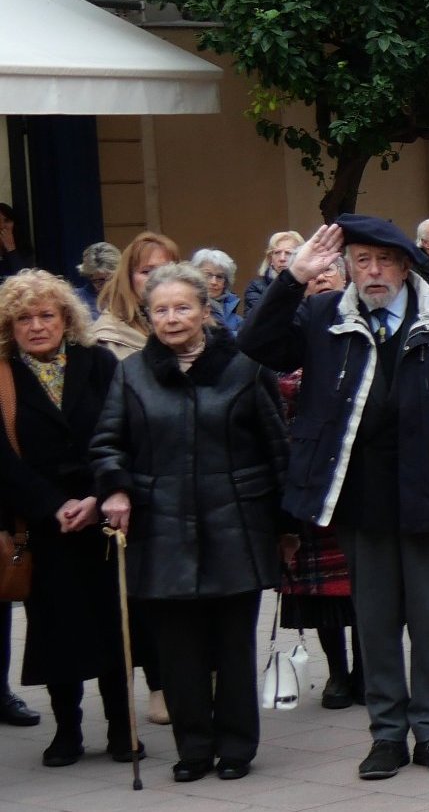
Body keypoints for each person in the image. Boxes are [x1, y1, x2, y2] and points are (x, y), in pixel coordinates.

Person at [237, 216, 429, 779]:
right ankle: (386, 735)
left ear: (405, 265)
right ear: (347, 266)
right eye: (361, 261)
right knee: (374, 622)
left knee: (428, 620)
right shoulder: (323, 314)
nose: (372, 272)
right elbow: (255, 344)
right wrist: (291, 281)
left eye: (383, 261)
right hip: (360, 494)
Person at [92, 262, 287, 782]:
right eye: (161, 310)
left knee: (232, 645)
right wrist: (113, 486)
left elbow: (277, 448)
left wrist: (287, 525)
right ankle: (194, 747)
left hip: (236, 525)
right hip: (162, 531)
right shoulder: (131, 373)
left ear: (205, 310)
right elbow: (108, 442)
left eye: (183, 307)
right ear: (148, 316)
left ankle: (237, 747)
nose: (172, 318)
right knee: (178, 653)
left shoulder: (243, 367)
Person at [0, 271, 138, 765]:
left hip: (103, 517)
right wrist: (52, 504)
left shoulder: (97, 362)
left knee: (114, 627)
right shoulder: (2, 378)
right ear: (9, 326)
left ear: (65, 319)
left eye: (46, 315)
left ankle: (123, 728)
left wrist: (98, 495)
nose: (36, 326)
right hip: (44, 525)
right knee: (57, 632)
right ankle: (67, 731)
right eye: (24, 318)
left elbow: (124, 430)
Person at [266, 255, 362, 714]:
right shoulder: (293, 333)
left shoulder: (357, 325)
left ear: (346, 279)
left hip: (354, 475)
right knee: (322, 590)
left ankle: (367, 670)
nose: (322, 278)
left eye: (331, 272)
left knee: (365, 583)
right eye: (315, 273)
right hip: (305, 475)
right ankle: (338, 676)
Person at [90, 231, 180, 359]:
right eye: (146, 271)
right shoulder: (107, 340)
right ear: (128, 278)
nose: (158, 277)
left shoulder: (195, 325)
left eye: (166, 270)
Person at [241, 231, 301, 317]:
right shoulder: (256, 287)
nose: (282, 258)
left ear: (300, 256)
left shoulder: (309, 284)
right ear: (270, 258)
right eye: (277, 253)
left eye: (288, 253)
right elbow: (256, 321)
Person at [192, 249, 243, 336]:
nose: (214, 282)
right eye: (207, 275)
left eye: (219, 277)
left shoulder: (236, 318)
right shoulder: (190, 308)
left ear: (226, 282)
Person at [73, 243, 119, 316]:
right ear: (89, 276)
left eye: (111, 279)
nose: (107, 286)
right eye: (100, 281)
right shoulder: (76, 299)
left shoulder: (130, 295)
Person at [0, 204, 27, 278]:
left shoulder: (24, 248)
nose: (2, 226)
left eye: (7, 221)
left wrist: (11, 248)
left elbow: (24, 278)